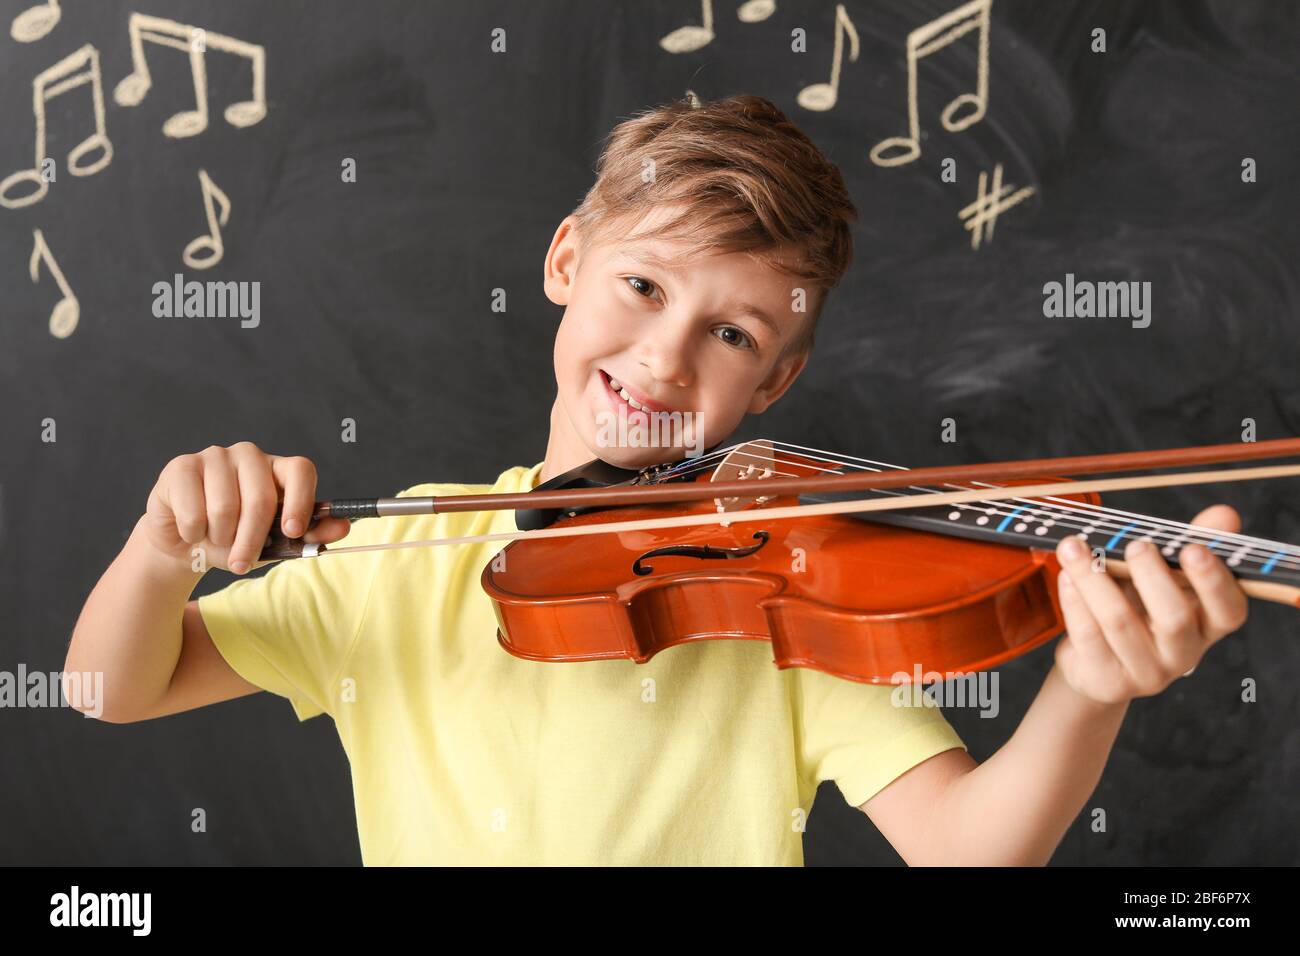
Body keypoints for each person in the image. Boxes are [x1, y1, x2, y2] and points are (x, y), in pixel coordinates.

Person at [65, 95, 1249, 865]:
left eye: (731, 335)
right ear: (567, 258)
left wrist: (1089, 687)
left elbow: (966, 850)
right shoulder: (397, 557)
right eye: (642, 287)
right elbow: (104, 689)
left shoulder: (787, 593)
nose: (665, 357)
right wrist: (162, 543)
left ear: (773, 384)